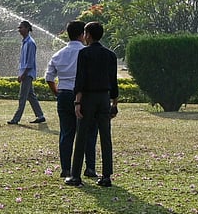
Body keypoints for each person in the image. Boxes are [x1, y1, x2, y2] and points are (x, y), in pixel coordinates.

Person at [65, 22, 118, 188]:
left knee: (81, 136)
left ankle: (75, 176)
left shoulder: (84, 53)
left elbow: (80, 80)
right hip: (104, 98)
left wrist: (77, 102)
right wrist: (114, 104)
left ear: (88, 35)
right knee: (105, 137)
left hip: (88, 98)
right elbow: (113, 81)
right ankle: (106, 176)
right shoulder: (110, 55)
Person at [44, 20, 98, 179]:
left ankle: (66, 168)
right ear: (83, 34)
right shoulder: (87, 53)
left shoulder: (58, 54)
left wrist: (57, 93)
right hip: (84, 95)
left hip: (64, 93)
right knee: (88, 132)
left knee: (66, 133)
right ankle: (90, 168)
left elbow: (49, 77)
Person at [7, 20, 46, 125]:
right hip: (25, 73)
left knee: (22, 97)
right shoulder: (25, 42)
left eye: (21, 28)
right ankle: (40, 116)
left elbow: (30, 62)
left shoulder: (30, 43)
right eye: (19, 28)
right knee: (30, 96)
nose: (19, 30)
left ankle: (16, 119)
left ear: (27, 29)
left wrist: (23, 75)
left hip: (27, 74)